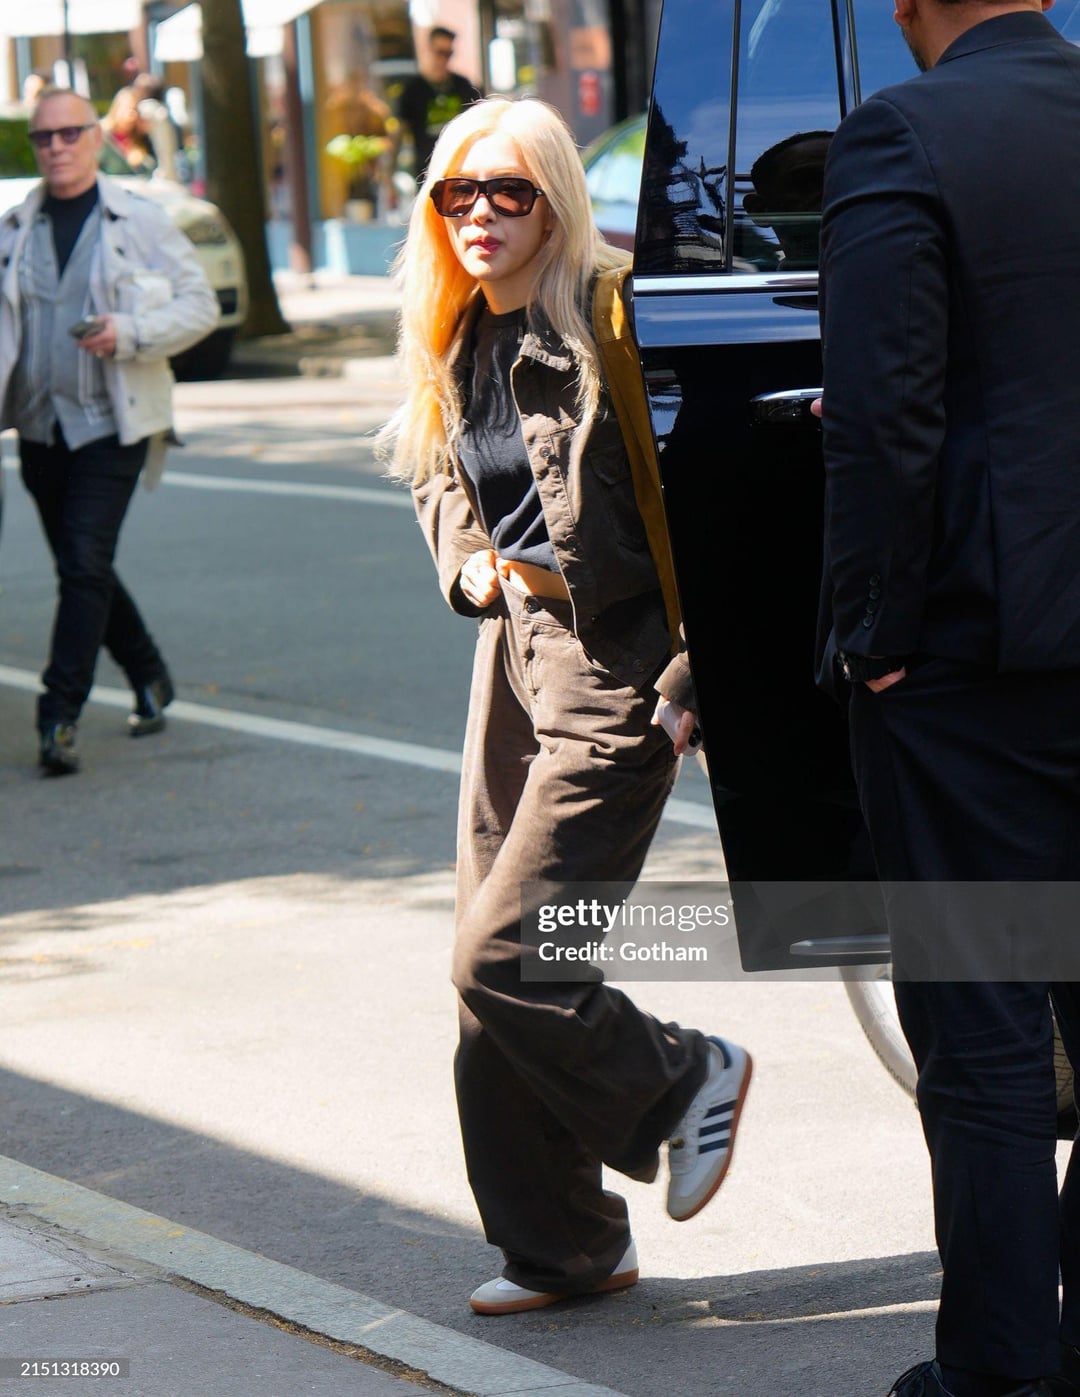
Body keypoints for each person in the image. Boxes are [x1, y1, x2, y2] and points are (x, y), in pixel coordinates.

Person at [379, 94, 752, 1314]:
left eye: (510, 191)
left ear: (555, 201)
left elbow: (703, 496)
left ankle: (685, 1075)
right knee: (485, 968)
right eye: (458, 193)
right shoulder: (454, 325)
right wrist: (467, 563)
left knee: (510, 953)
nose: (480, 214)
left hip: (612, 666)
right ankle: (566, 1246)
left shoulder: (608, 317)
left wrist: (695, 668)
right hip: (514, 652)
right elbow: (435, 468)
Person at [814, 3, 1080, 1395]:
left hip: (979, 664)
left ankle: (999, 1373)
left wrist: (873, 628)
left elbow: (881, 412)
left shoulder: (903, 134)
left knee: (983, 1035)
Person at [0, 87, 219, 775]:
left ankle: (58, 715)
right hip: (39, 427)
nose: (57, 147)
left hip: (113, 424)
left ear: (96, 138)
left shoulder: (139, 219)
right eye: (44, 138)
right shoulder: (14, 228)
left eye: (70, 133)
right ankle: (148, 673)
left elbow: (200, 306)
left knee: (82, 564)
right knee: (83, 564)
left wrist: (131, 332)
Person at [395, 26, 482, 184]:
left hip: (462, 169)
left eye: (448, 54)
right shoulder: (413, 90)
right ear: (428, 50)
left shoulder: (463, 86)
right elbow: (399, 133)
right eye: (439, 52)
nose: (443, 59)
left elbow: (479, 124)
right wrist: (389, 174)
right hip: (427, 172)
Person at [102, 86, 156, 172]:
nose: (133, 115)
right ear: (117, 108)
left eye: (136, 111)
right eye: (129, 109)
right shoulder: (102, 135)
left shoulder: (141, 137)